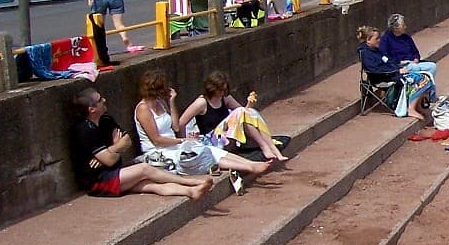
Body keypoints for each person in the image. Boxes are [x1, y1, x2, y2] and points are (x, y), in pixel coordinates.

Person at [134, 69, 273, 192]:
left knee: (210, 149)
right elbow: (157, 140)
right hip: (159, 151)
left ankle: (250, 164)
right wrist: (184, 140)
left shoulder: (160, 103)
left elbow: (176, 127)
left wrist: (171, 102)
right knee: (204, 154)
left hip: (174, 145)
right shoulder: (143, 109)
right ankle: (248, 167)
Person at [70, 88, 213, 200]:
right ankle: (192, 182)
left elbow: (127, 142)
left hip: (115, 172)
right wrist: (115, 148)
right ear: (92, 109)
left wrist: (111, 150)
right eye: (100, 100)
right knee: (145, 169)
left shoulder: (106, 119)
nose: (105, 100)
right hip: (99, 182)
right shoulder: (84, 130)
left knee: (151, 184)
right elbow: (109, 160)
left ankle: (191, 192)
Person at [178, 71, 288, 162]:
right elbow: (182, 122)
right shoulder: (201, 103)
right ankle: (266, 147)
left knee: (250, 114)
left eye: (224, 90)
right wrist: (184, 141)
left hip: (228, 136)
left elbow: (244, 115)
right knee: (240, 112)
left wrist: (250, 105)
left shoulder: (225, 98)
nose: (222, 93)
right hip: (213, 140)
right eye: (220, 90)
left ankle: (271, 148)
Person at [356, 25, 433, 121]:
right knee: (422, 80)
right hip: (383, 78)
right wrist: (397, 71)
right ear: (368, 40)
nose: (379, 40)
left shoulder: (376, 50)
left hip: (392, 73)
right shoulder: (365, 53)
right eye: (377, 38)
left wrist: (399, 64)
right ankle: (410, 108)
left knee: (425, 77)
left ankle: (416, 106)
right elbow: (375, 70)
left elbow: (388, 61)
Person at [381, 13, 439, 93]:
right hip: (400, 66)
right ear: (396, 28)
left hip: (413, 63)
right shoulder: (386, 39)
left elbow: (415, 52)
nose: (405, 27)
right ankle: (420, 92)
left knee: (432, 66)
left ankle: (427, 92)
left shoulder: (406, 37)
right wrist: (400, 62)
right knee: (414, 67)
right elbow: (385, 56)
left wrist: (416, 58)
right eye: (403, 25)